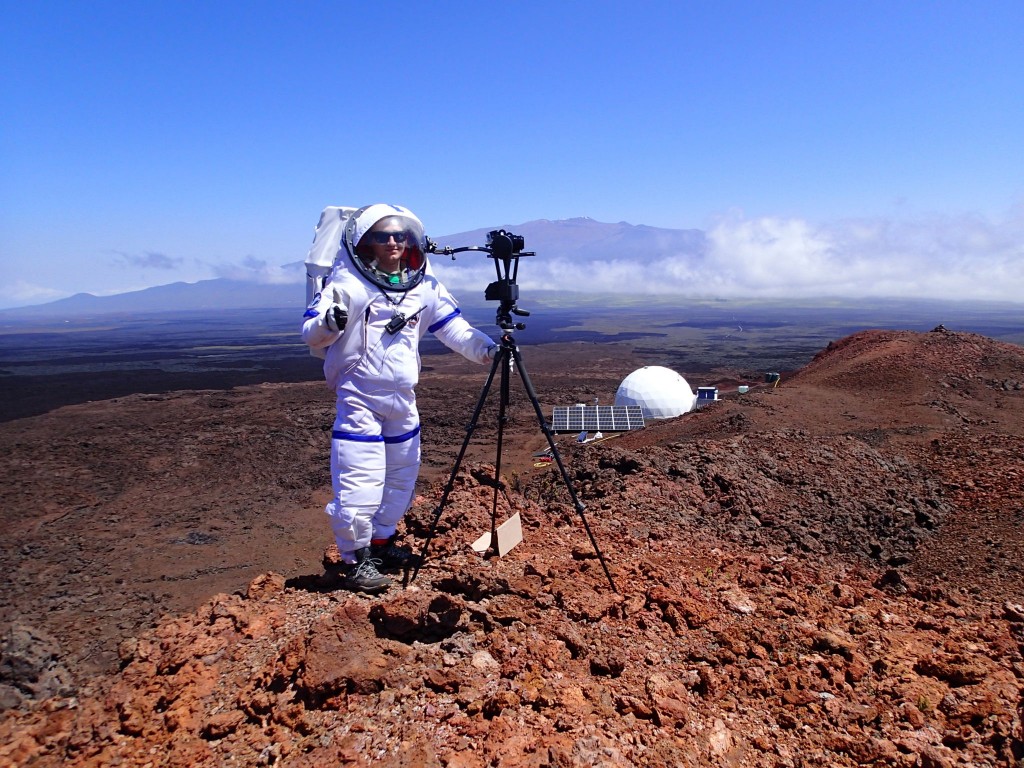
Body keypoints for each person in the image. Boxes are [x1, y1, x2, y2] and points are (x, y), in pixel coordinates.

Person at [302, 204, 496, 593]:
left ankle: (382, 542)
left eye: (399, 236)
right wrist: (328, 323)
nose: (392, 242)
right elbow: (312, 331)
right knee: (361, 479)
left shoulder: (421, 286)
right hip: (360, 396)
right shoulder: (349, 286)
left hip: (403, 398)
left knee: (402, 475)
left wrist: (490, 351)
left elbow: (454, 328)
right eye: (381, 236)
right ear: (364, 243)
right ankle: (356, 561)